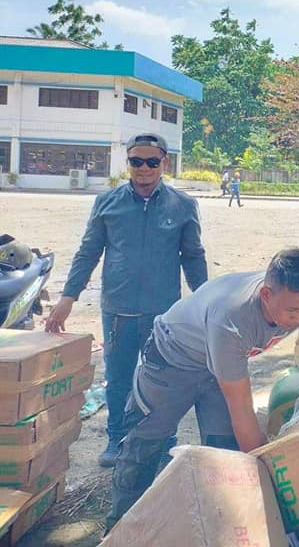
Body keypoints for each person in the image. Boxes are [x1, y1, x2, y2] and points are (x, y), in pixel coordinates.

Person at [106, 248, 299, 532]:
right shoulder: (232, 320)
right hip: (171, 362)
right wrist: (275, 478)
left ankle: (220, 530)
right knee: (144, 447)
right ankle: (118, 530)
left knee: (225, 453)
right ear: (266, 295)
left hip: (218, 367)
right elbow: (242, 411)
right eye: (292, 311)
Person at [45, 133, 207, 468]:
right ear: (128, 162)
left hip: (163, 313)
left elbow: (193, 257)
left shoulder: (182, 206)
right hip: (118, 310)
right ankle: (117, 439)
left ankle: (162, 442)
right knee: (119, 379)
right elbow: (88, 253)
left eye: (152, 161)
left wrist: (205, 301)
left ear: (164, 162)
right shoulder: (107, 203)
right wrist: (68, 298)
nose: (144, 168)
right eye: (136, 161)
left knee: (162, 379)